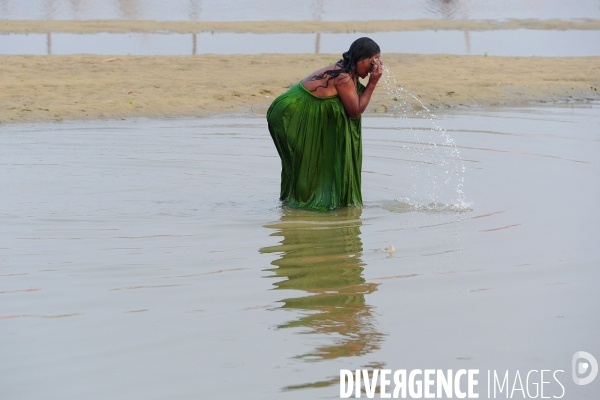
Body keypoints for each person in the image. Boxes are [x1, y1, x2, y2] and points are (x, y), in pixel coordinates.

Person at [267, 37, 383, 211]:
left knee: (306, 164)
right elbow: (355, 111)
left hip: (294, 109)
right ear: (360, 59)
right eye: (372, 62)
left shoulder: (346, 71)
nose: (375, 67)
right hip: (289, 112)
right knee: (306, 163)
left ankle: (295, 205)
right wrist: (372, 83)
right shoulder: (343, 76)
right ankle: (303, 207)